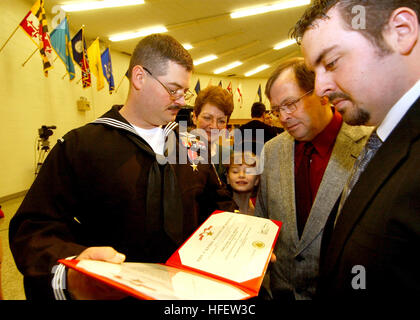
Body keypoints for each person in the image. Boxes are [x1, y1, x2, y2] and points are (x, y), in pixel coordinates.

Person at [8, 34, 225, 300]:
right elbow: (33, 229)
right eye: (173, 89)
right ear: (139, 78)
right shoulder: (82, 146)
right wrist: (75, 270)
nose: (181, 101)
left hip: (190, 290)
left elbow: (217, 206)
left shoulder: (193, 145)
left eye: (184, 92)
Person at [292, 0, 420, 298]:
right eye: (315, 71)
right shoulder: (386, 138)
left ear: (401, 32)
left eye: (332, 62)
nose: (321, 89)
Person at [254, 57, 372, 300]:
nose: (283, 117)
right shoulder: (272, 151)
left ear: (321, 94)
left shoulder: (369, 148)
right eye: (276, 110)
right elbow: (262, 224)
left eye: (290, 104)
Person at [191, 85, 234, 182]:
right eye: (207, 118)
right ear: (194, 117)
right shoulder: (178, 154)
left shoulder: (229, 156)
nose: (214, 126)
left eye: (221, 121)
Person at [226, 151, 260, 216]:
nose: (241, 175)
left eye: (248, 172)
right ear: (228, 178)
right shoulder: (218, 210)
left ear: (257, 180)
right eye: (235, 171)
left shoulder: (261, 209)